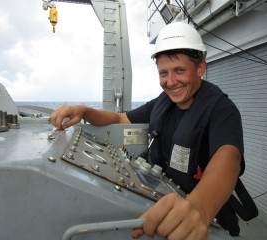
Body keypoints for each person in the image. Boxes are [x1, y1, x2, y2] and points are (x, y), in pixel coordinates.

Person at [50, 22, 245, 240]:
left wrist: (199, 207)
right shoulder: (162, 103)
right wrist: (84, 111)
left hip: (205, 221)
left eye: (180, 70)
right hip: (162, 200)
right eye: (164, 73)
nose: (171, 82)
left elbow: (229, 156)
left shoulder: (221, 108)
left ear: (200, 68)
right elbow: (119, 118)